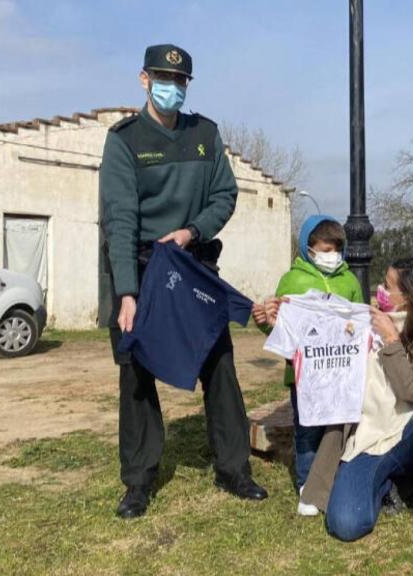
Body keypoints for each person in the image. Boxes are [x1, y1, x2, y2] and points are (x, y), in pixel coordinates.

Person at [100, 43, 267, 519]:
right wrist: (127, 292)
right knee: (136, 372)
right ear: (144, 80)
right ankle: (138, 481)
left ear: (187, 85)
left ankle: (234, 469)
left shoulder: (206, 135)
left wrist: (193, 230)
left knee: (219, 363)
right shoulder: (124, 140)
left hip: (192, 263)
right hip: (142, 264)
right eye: (162, 78)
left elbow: (225, 195)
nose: (171, 87)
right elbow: (119, 217)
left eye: (180, 81)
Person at [279, 257, 413, 543]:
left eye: (388, 287)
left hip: (411, 434)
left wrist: (391, 340)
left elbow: (410, 390)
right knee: (346, 524)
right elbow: (318, 349)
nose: (380, 290)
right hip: (367, 439)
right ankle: (387, 484)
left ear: (410, 297)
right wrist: (282, 321)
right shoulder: (363, 321)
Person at [253, 215, 363, 516]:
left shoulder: (350, 281)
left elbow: (358, 322)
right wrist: (265, 322)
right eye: (324, 249)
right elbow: (280, 328)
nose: (330, 256)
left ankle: (332, 475)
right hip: (304, 376)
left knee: (336, 427)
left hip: (340, 372)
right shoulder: (292, 280)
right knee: (307, 429)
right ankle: (306, 484)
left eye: (335, 250)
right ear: (308, 248)